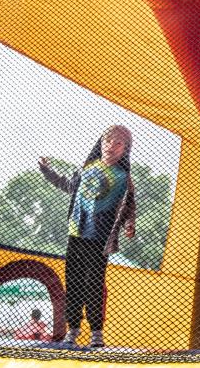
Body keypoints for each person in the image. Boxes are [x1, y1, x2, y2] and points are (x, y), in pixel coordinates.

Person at [39, 125, 136, 348]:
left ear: (125, 150)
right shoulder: (86, 168)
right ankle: (72, 328)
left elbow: (129, 204)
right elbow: (68, 185)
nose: (111, 146)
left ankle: (96, 332)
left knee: (94, 283)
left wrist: (129, 224)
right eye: (108, 141)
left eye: (118, 143)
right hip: (76, 233)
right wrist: (47, 171)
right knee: (73, 280)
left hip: (100, 238)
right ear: (101, 143)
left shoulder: (123, 177)